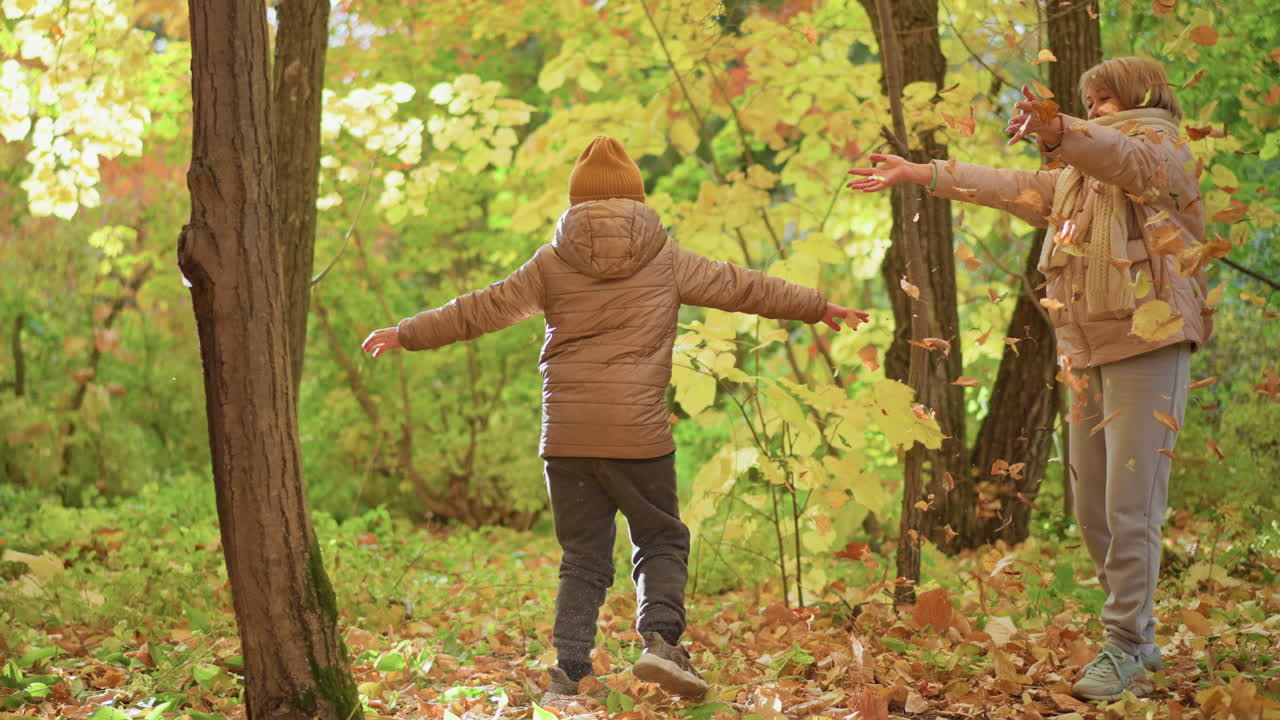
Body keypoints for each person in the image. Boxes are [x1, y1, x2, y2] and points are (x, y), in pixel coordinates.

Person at [362, 135, 869, 709]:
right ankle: (659, 641)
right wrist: (817, 305)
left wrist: (407, 332)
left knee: (583, 556)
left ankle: (569, 670)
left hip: (568, 438)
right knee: (660, 538)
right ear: (637, 198)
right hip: (639, 434)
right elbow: (742, 286)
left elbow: (482, 307)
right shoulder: (666, 256)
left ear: (577, 202)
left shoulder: (551, 261)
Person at [847, 57, 1212, 701]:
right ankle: (1140, 638)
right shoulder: (1078, 177)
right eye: (1089, 100)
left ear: (1139, 98)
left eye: (1106, 99)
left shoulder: (1163, 148)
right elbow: (1012, 183)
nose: (1095, 108)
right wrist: (922, 172)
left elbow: (1124, 159)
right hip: (1085, 350)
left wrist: (1058, 127)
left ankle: (1126, 642)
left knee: (1131, 508)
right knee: (1092, 509)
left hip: (1147, 343)